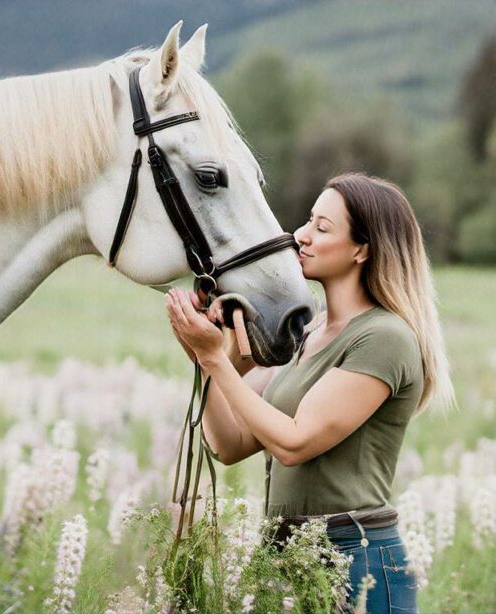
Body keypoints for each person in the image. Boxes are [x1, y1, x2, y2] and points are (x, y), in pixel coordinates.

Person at [165, 171, 455, 613]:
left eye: (322, 228)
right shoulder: (309, 332)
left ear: (362, 249)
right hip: (284, 556)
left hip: (356, 561)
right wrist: (204, 356)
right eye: (308, 221)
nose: (299, 235)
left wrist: (215, 360)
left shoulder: (384, 337)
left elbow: (295, 442)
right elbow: (230, 443)